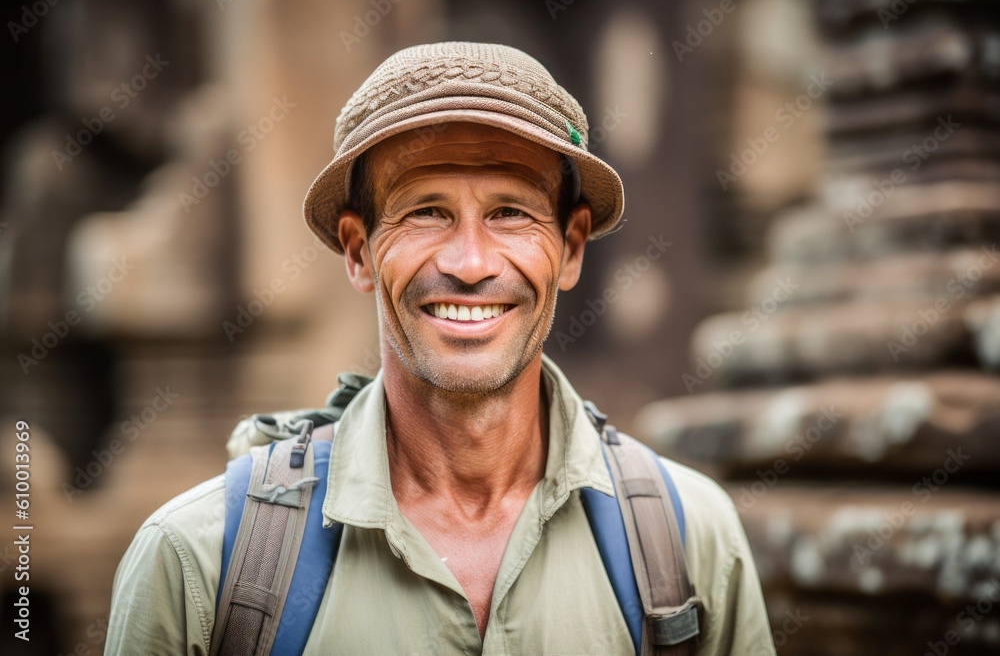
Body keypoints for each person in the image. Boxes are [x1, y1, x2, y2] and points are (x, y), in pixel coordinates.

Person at [107, 41, 775, 655]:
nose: (471, 261)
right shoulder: (198, 562)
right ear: (358, 249)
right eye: (425, 210)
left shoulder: (688, 544)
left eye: (511, 211)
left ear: (570, 248)